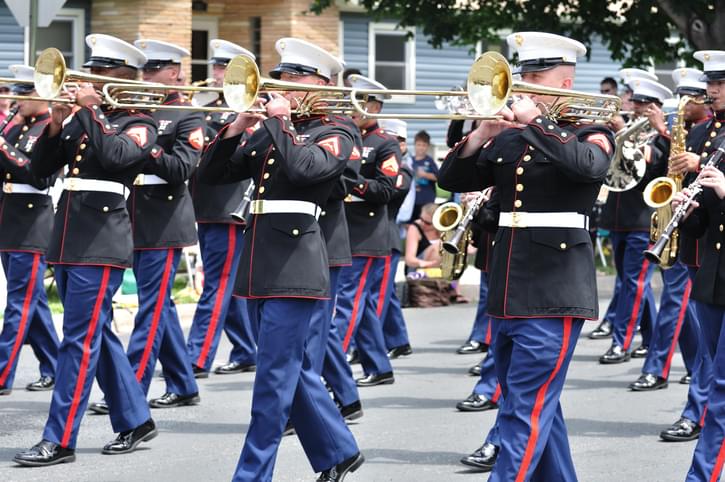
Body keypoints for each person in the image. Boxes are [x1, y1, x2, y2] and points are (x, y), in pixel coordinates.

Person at [439, 31, 615, 480]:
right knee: (532, 406)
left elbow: (589, 167)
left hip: (556, 290)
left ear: (566, 82)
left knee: (524, 413)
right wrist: (482, 132)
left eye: (537, 77)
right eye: (525, 77)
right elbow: (454, 177)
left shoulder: (592, 131)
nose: (524, 86)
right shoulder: (512, 137)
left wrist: (538, 123)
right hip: (508, 288)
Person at [197, 37, 364, 482]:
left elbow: (307, 170)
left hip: (298, 262)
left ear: (322, 84)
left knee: (271, 382)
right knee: (288, 368)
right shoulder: (272, 129)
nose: (283, 84)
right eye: (282, 76)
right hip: (260, 261)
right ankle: (338, 449)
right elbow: (211, 176)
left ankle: (251, 475)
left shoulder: (338, 130)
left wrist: (280, 123)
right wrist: (235, 127)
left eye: (294, 78)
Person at [14, 33, 158, 467]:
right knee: (95, 334)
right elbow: (40, 170)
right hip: (69, 238)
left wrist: (89, 111)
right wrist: (56, 124)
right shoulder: (82, 119)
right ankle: (134, 418)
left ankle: (59, 439)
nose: (85, 80)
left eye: (98, 73)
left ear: (121, 77)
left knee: (76, 342)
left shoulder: (140, 121)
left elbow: (116, 158)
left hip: (101, 242)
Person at [123, 39, 203, 407]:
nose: (148, 76)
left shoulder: (188, 115)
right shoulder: (134, 108)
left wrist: (148, 145)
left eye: (155, 69)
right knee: (159, 305)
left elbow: (181, 168)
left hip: (165, 218)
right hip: (132, 214)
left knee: (151, 307)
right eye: (145, 70)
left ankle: (130, 390)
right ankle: (183, 384)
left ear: (174, 72)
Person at [629, 68, 707, 392]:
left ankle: (657, 368)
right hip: (671, 219)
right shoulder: (683, 130)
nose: (682, 105)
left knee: (675, 299)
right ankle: (693, 363)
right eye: (681, 98)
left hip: (698, 228)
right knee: (680, 302)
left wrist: (664, 133)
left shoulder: (707, 133)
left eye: (689, 99)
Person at [660, 58, 725, 443]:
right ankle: (699, 411)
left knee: (713, 354)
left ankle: (697, 412)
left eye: (720, 83)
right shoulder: (700, 131)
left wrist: (702, 164)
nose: (712, 90)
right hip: (700, 245)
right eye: (711, 83)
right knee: (706, 344)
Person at [186, 39, 257, 378]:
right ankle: (246, 349)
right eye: (215, 67)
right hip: (207, 205)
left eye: (222, 69)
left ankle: (196, 356)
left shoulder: (248, 111)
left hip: (228, 207)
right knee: (225, 283)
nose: (215, 74)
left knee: (217, 282)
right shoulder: (210, 107)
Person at [333, 73, 401, 387]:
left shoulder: (384, 143)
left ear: (374, 105)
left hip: (367, 234)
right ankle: (379, 365)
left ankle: (334, 372)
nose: (352, 110)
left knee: (347, 304)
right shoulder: (345, 135)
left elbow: (387, 189)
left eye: (359, 103)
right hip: (344, 231)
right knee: (363, 304)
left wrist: (351, 182)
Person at [598, 76, 672, 364]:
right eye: (636, 103)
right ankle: (651, 337)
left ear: (657, 108)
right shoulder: (628, 131)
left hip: (643, 220)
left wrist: (625, 134)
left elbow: (652, 164)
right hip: (618, 216)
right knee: (631, 282)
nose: (638, 109)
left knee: (633, 283)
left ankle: (621, 342)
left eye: (645, 105)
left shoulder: (660, 137)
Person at [0, 65, 59, 396]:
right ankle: (54, 364)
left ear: (40, 95)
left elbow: (38, 176)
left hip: (32, 221)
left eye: (23, 94)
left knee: (19, 303)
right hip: (10, 221)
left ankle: (2, 372)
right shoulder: (17, 126)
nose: (16, 100)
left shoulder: (47, 128)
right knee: (32, 301)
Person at [404, 202, 441, 271]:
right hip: (416, 269)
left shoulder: (443, 229)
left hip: (438, 268)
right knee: (439, 245)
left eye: (427, 223)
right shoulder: (415, 228)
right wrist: (424, 263)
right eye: (421, 219)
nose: (423, 223)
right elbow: (409, 259)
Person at [411, 130, 439, 221]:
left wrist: (424, 174)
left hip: (427, 199)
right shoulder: (410, 161)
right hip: (412, 200)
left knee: (426, 222)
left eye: (424, 145)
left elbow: (437, 177)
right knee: (412, 223)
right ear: (414, 145)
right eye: (419, 145)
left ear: (427, 146)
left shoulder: (430, 161)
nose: (421, 148)